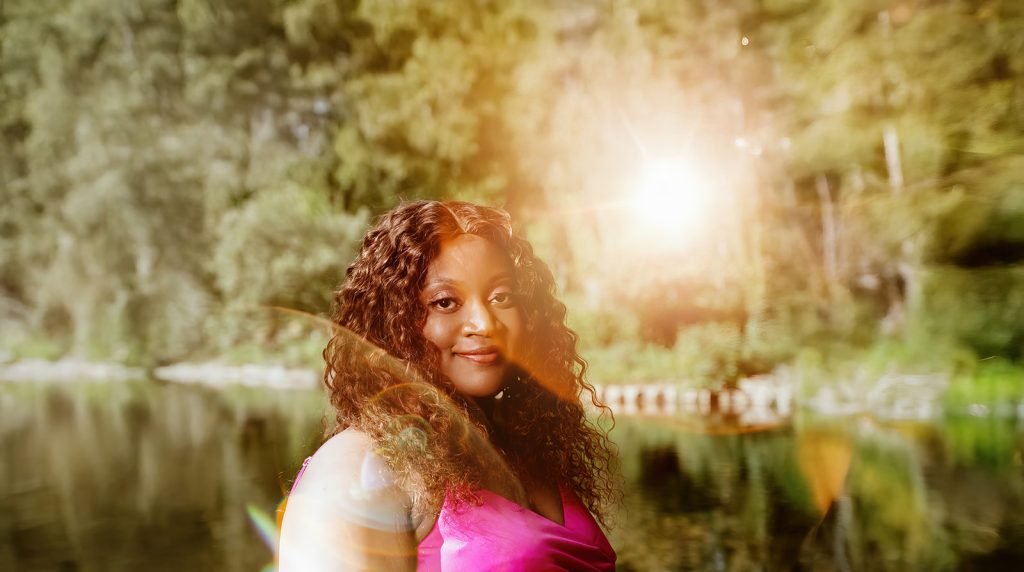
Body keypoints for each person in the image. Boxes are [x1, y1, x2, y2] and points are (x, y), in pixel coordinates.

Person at [278, 201, 618, 571]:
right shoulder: (358, 467)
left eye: (501, 297)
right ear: (392, 323)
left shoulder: (520, 448)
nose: (484, 323)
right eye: (445, 302)